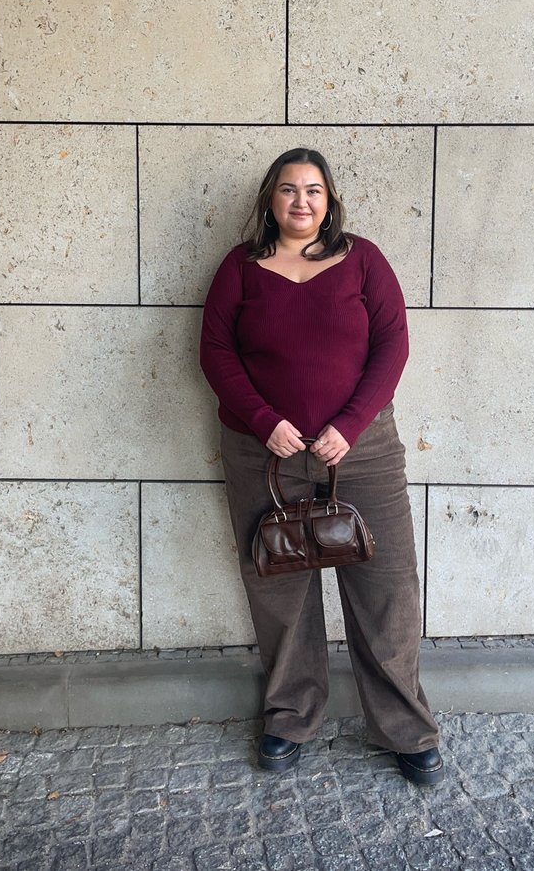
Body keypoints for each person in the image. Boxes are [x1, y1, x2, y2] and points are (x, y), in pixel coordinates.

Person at [199, 147, 442, 785]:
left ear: (329, 199)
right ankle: (289, 716)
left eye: (313, 190)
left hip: (359, 453)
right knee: (278, 589)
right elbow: (216, 353)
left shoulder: (363, 260)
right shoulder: (240, 268)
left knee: (386, 587)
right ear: (269, 200)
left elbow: (393, 346)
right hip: (265, 455)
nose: (301, 201)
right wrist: (264, 422)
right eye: (288, 190)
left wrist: (350, 426)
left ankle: (405, 728)